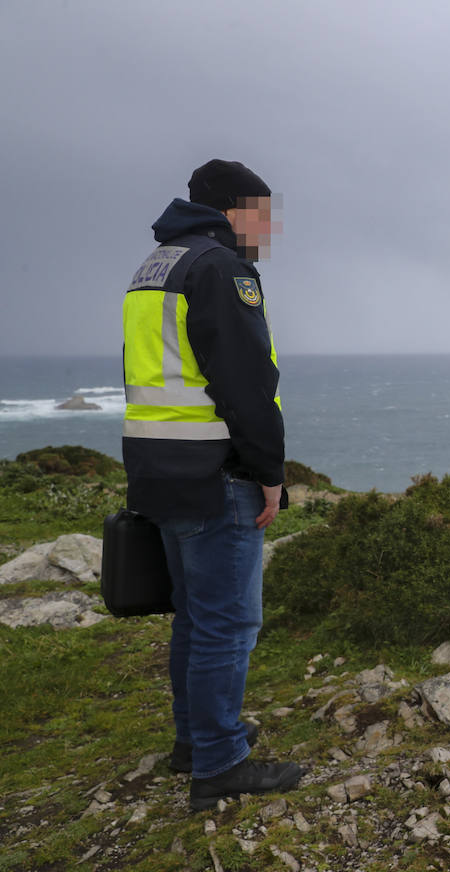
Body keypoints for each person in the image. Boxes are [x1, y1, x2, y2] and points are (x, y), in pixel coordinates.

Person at [121, 159, 302, 811]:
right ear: (233, 212)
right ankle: (221, 760)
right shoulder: (223, 269)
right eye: (262, 213)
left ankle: (193, 742)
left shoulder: (155, 267)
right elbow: (246, 387)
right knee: (228, 621)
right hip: (212, 471)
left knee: (197, 616)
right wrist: (271, 475)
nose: (269, 227)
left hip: (156, 467)